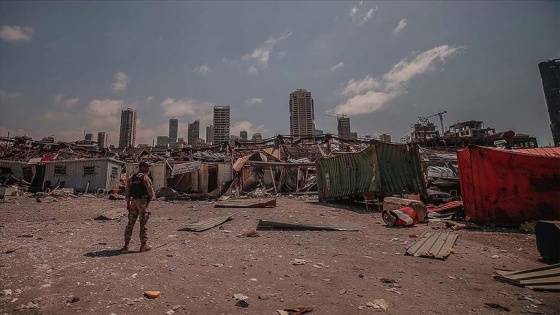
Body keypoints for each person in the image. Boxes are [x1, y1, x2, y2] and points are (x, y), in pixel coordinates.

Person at [123, 161, 155, 252]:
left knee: (130, 223)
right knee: (143, 224)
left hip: (133, 202)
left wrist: (128, 204)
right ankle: (143, 245)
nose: (148, 168)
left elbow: (127, 191)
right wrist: (148, 202)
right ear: (141, 167)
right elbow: (151, 192)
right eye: (146, 167)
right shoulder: (145, 178)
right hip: (142, 202)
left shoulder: (131, 178)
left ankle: (126, 244)